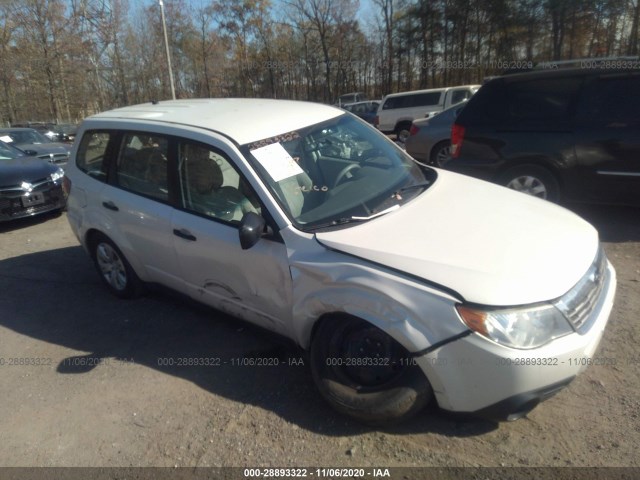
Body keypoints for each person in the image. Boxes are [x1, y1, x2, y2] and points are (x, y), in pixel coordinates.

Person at [183, 144, 259, 221]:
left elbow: (253, 214)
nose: (211, 176)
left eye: (211, 171)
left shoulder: (231, 192)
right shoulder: (192, 202)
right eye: (200, 172)